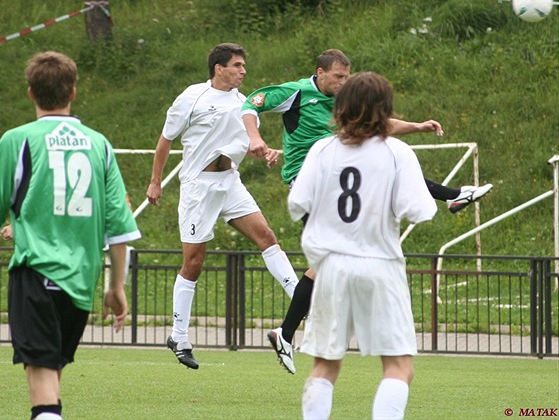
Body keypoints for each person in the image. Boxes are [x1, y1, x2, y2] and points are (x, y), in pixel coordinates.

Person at [241, 49, 493, 374]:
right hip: (314, 182)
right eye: (337, 77)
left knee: (329, 262)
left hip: (335, 177)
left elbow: (377, 124)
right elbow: (252, 103)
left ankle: (286, 333)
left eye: (347, 77)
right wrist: (255, 139)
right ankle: (454, 197)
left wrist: (418, 126)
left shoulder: (344, 101)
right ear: (320, 72)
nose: (343, 82)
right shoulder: (295, 92)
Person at [0, 51, 140, 420]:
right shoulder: (99, 144)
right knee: (52, 372)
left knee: (42, 380)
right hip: (81, 281)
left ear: (30, 93)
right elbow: (120, 227)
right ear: (73, 92)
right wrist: (116, 286)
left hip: (35, 273)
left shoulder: (17, 141)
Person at [289, 71, 437, 419]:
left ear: (340, 108)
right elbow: (419, 209)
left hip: (330, 267)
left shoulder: (322, 149)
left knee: (325, 367)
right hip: (380, 264)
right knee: (399, 366)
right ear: (385, 110)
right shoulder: (397, 152)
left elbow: (298, 203)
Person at [146, 43, 299, 370]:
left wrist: (266, 150)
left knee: (267, 238)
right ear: (219, 68)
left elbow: (249, 142)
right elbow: (165, 139)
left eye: (244, 66)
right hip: (198, 189)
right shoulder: (192, 97)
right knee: (194, 262)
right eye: (237, 65)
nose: (243, 71)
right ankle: (179, 336)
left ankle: (303, 300)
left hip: (230, 183)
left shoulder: (244, 104)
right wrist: (155, 181)